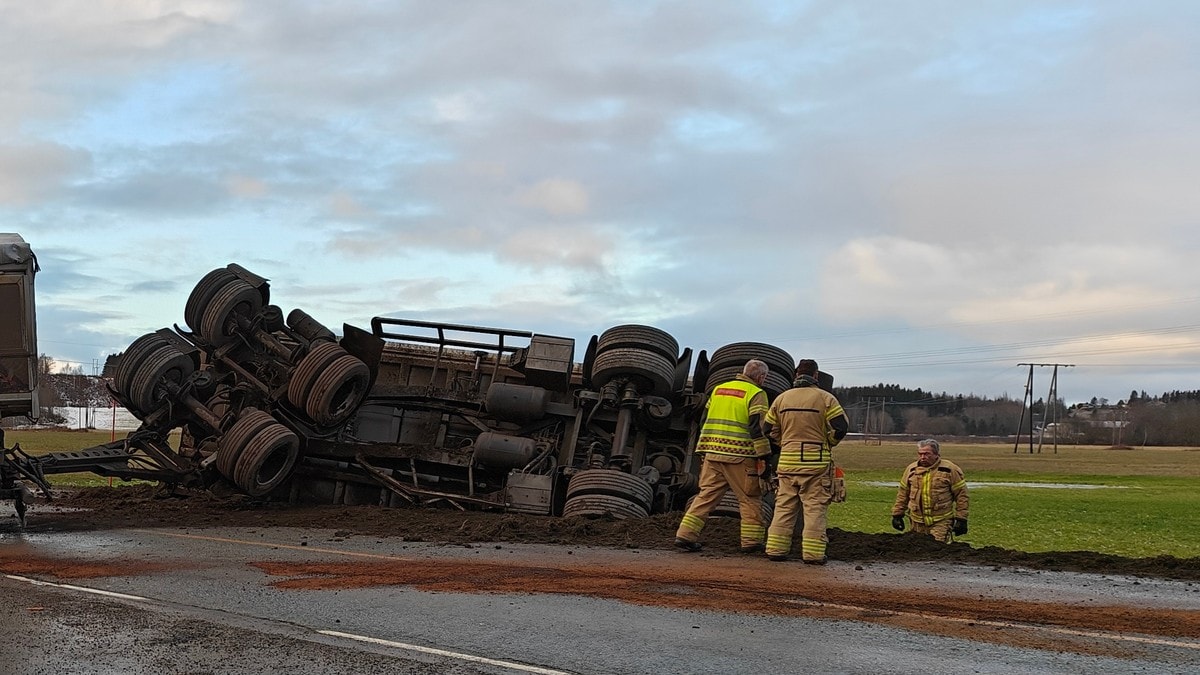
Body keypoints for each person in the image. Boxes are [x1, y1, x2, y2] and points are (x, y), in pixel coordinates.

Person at [674, 359, 772, 553]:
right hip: (740, 455)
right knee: (749, 498)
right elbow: (757, 428)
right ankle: (751, 541)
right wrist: (764, 456)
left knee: (706, 496)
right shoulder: (756, 393)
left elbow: (704, 420)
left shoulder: (718, 390)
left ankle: (685, 535)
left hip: (712, 454)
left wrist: (706, 448)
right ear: (761, 377)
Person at [762, 359, 849, 564]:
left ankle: (775, 550)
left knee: (783, 508)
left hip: (787, 463)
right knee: (814, 509)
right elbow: (841, 427)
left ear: (796, 375)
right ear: (816, 375)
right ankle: (813, 554)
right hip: (815, 465)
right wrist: (829, 442)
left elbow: (767, 429)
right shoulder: (825, 398)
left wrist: (784, 442)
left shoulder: (782, 399)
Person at [891, 438, 969, 542]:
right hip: (917, 522)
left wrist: (961, 519)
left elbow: (961, 495)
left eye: (927, 454)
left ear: (936, 454)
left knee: (936, 547)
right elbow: (903, 493)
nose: (923, 457)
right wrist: (897, 514)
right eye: (920, 454)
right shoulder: (911, 470)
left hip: (940, 521)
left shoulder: (950, 470)